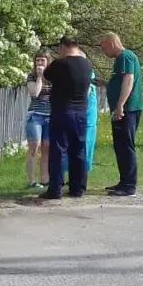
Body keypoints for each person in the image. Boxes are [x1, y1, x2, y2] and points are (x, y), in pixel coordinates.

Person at [38, 37, 93, 200]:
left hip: (62, 111)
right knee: (78, 150)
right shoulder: (87, 65)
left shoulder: (60, 64)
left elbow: (47, 76)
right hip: (81, 112)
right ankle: (78, 188)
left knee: (58, 151)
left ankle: (55, 189)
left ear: (63, 47)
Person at [100, 32, 143, 197]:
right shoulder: (121, 59)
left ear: (111, 43)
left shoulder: (125, 56)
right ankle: (123, 181)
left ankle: (129, 186)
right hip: (124, 108)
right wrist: (106, 83)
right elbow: (119, 81)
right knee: (120, 146)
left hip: (128, 109)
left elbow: (128, 80)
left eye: (104, 48)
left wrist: (120, 106)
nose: (104, 52)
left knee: (126, 146)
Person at [23, 51, 52, 189]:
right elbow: (35, 93)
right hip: (35, 115)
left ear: (48, 62)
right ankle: (32, 181)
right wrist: (40, 77)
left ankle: (45, 179)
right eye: (38, 61)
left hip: (50, 116)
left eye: (42, 61)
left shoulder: (53, 77)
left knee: (47, 148)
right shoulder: (32, 76)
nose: (40, 63)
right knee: (34, 147)